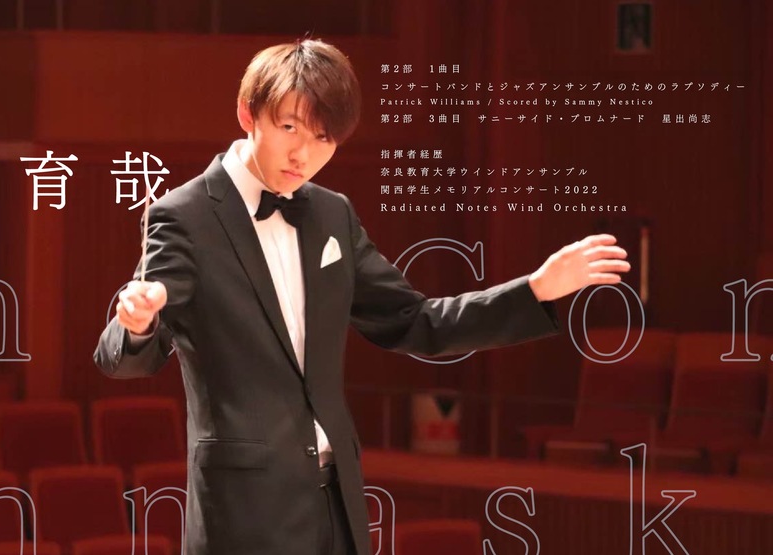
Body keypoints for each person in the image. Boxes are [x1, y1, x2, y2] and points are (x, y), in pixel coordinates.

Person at [94, 39, 629, 555]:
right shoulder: (183, 215)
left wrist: (535, 290)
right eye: (289, 127)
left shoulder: (332, 214)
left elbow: (416, 321)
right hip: (244, 510)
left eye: (324, 138)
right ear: (247, 113)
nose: (304, 153)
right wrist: (138, 323)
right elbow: (125, 356)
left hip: (338, 502)